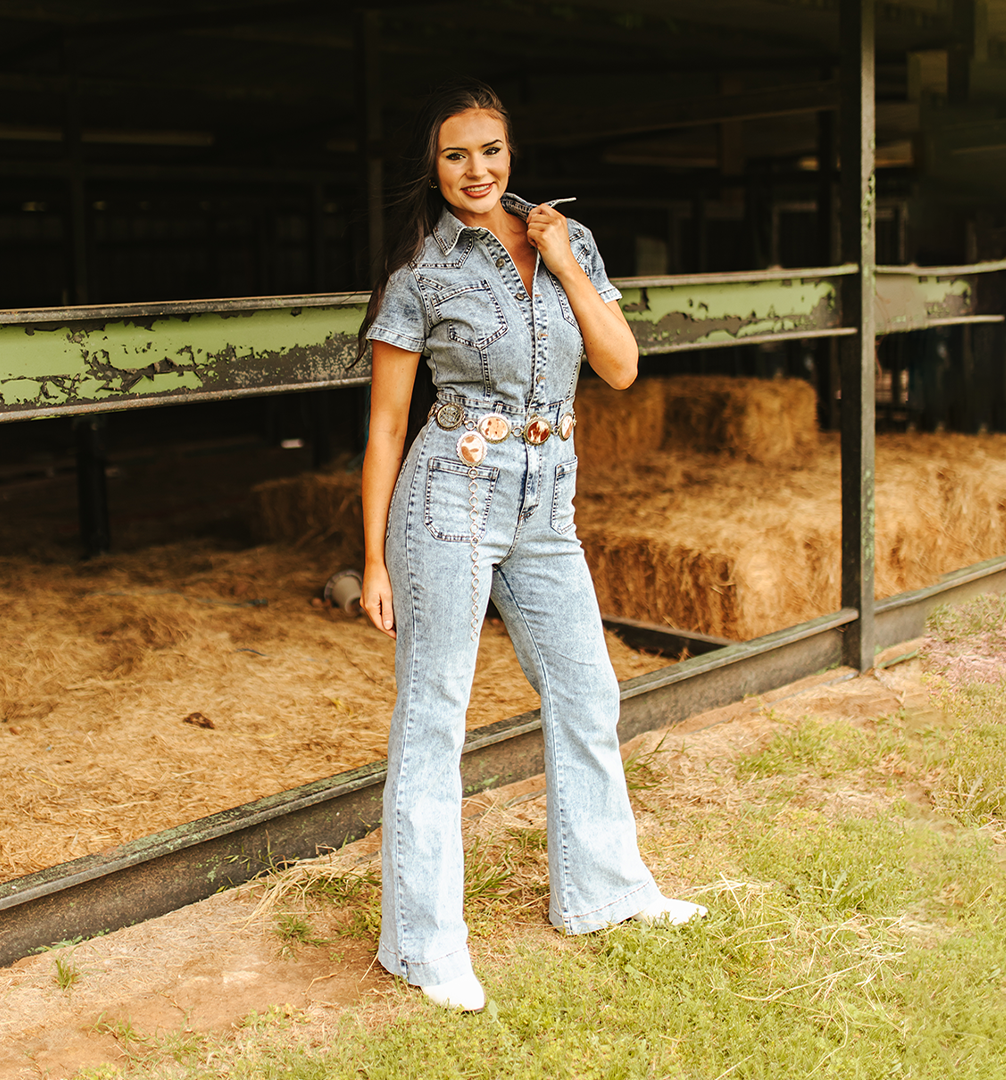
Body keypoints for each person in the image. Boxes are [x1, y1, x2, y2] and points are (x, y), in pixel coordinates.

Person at [358, 79, 705, 1013]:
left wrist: (560, 255)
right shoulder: (420, 274)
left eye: (491, 151)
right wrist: (376, 559)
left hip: (548, 499)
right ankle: (424, 948)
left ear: (512, 155)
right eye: (456, 155)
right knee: (436, 713)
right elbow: (389, 425)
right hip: (450, 493)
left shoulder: (568, 240)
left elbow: (622, 367)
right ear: (431, 170)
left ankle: (603, 893)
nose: (478, 170)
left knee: (588, 689)